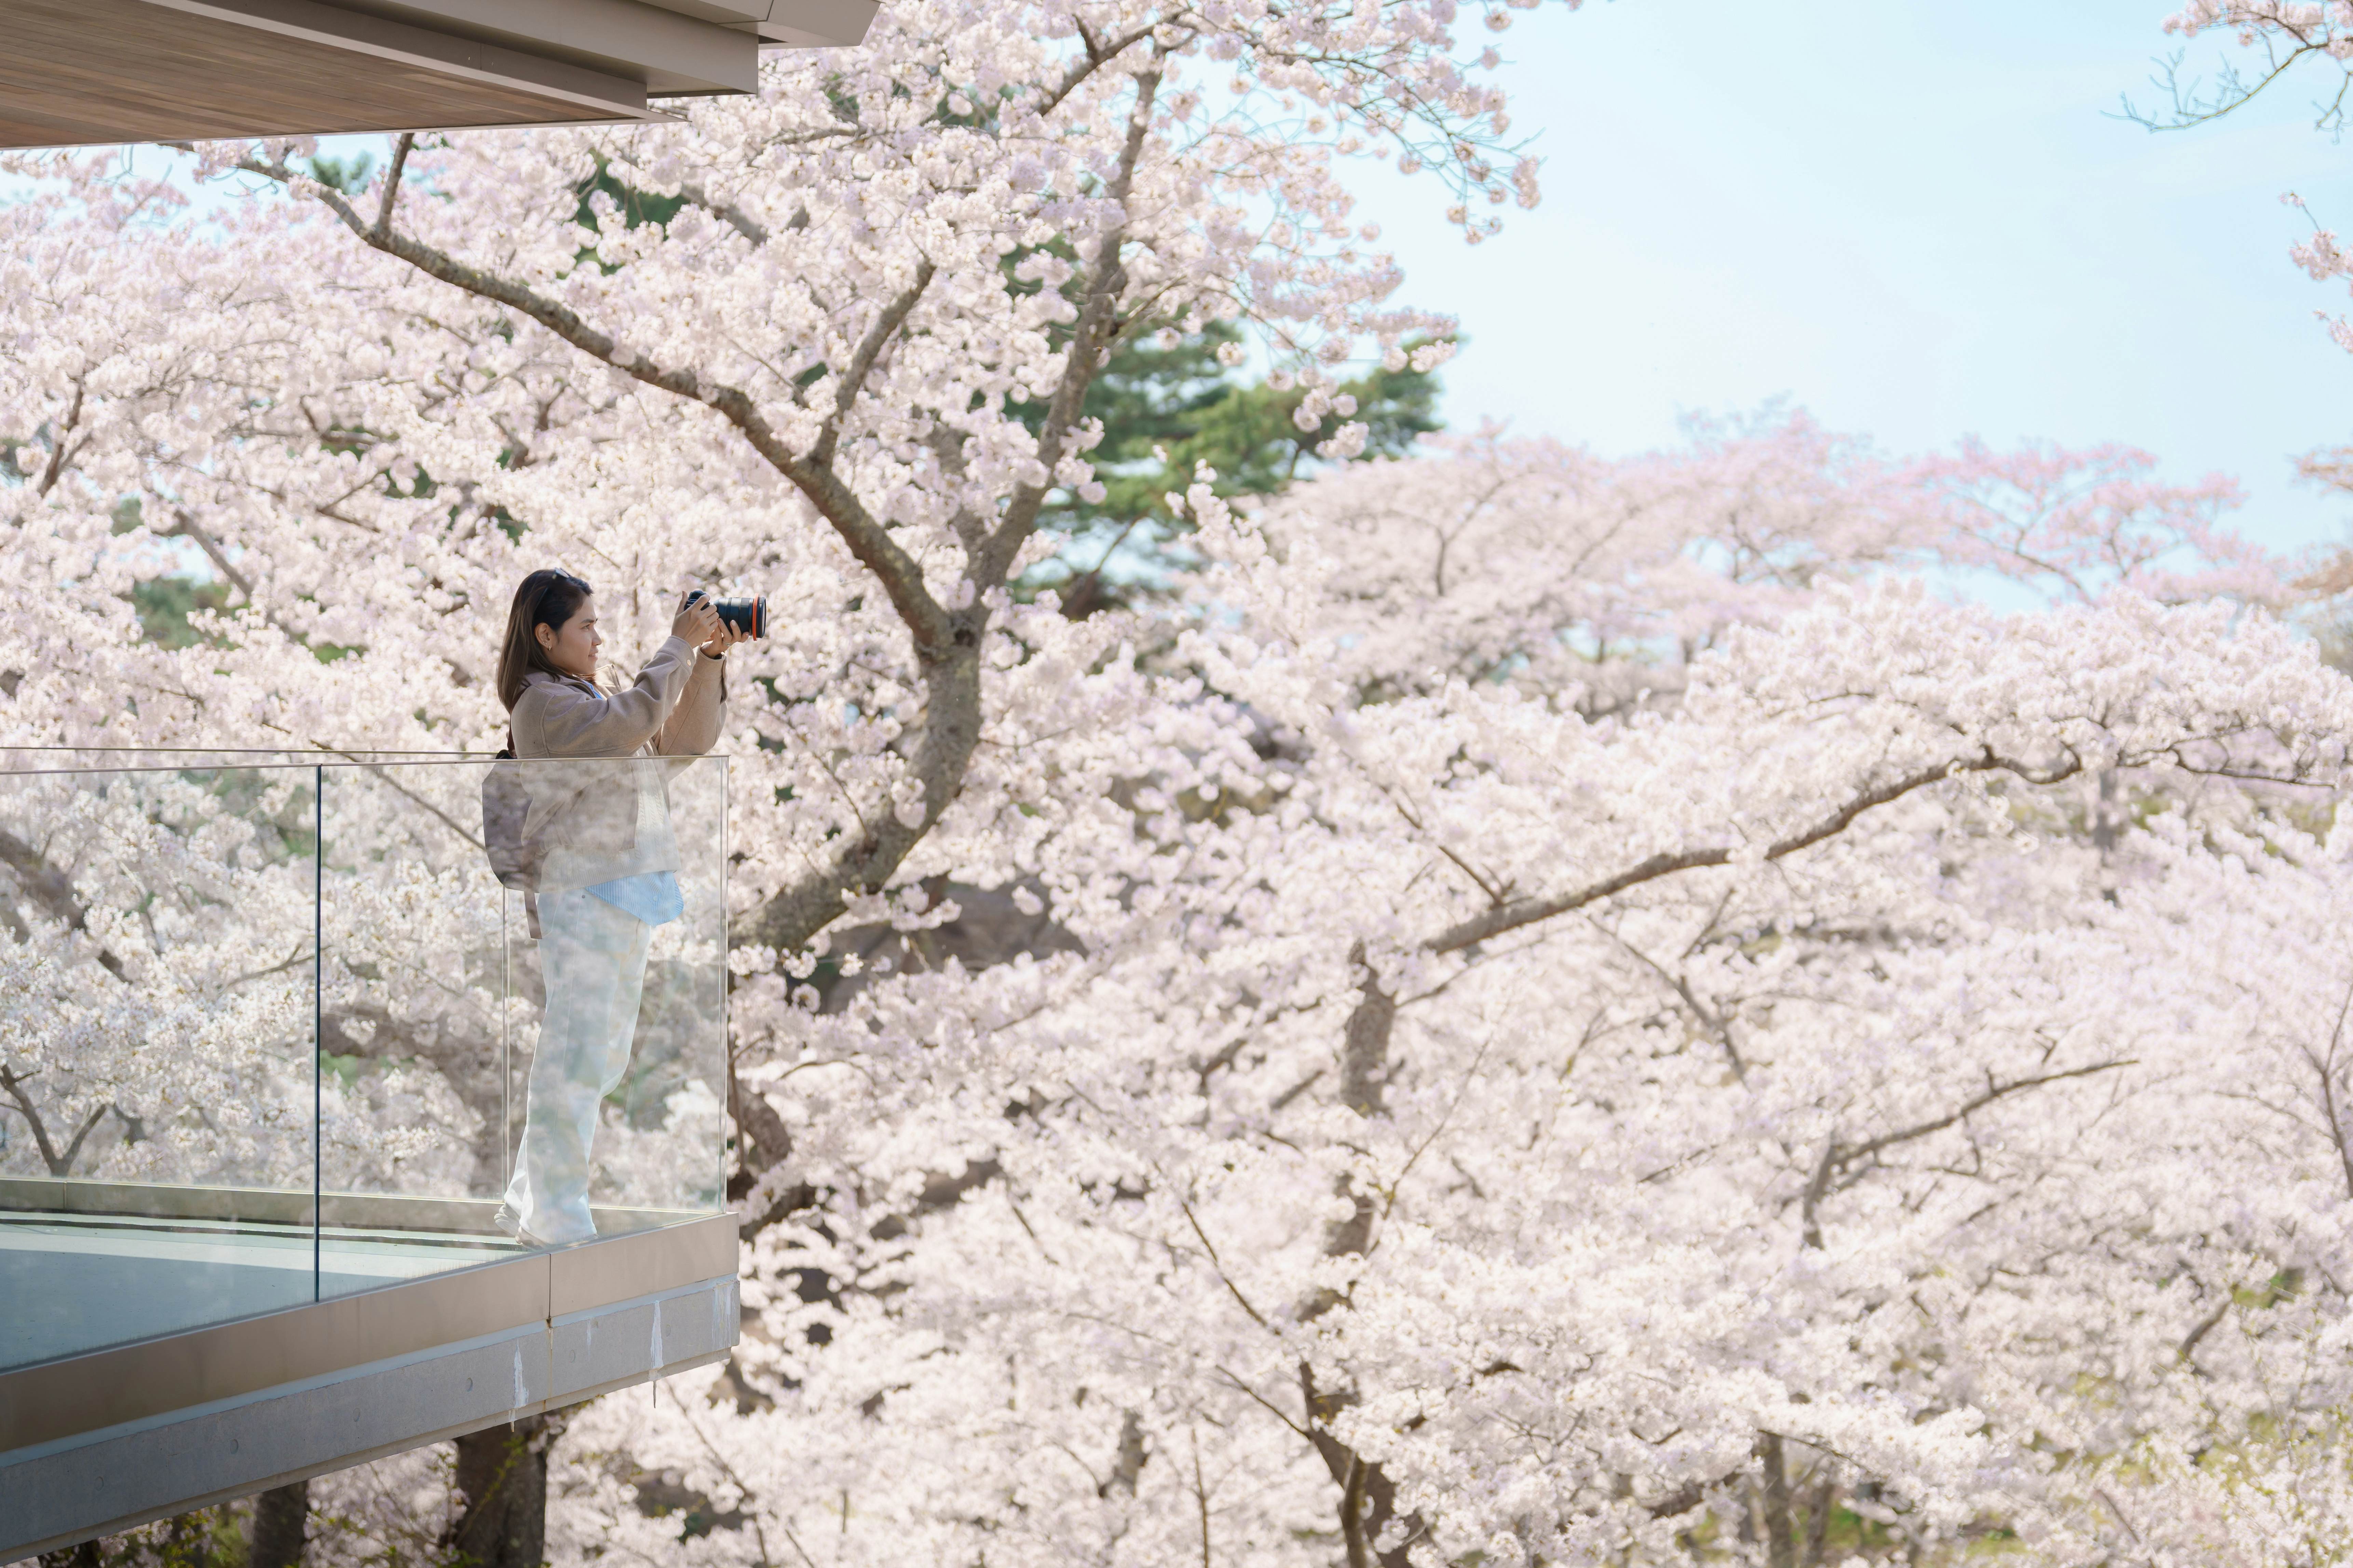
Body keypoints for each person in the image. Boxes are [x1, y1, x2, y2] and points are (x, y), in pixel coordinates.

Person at [491, 568, 745, 1246]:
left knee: (594, 1055)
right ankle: (556, 1214)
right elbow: (631, 721)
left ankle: (532, 1200)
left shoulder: (582, 700)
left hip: (618, 890)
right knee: (577, 1053)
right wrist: (675, 644)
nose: (598, 639)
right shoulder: (543, 704)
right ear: (544, 635)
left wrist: (707, 657)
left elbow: (677, 746)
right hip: (585, 893)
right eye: (586, 627)